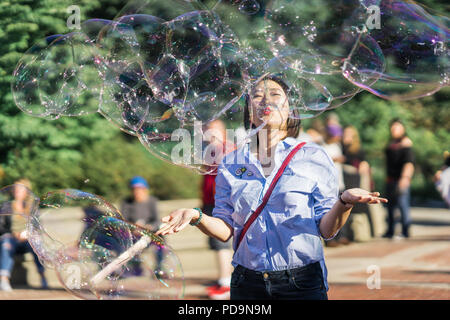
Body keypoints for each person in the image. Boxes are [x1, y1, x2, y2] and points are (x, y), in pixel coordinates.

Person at [156, 76, 387, 300]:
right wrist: (197, 217)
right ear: (249, 112)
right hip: (246, 283)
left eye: (275, 94)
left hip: (301, 281)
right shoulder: (231, 162)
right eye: (257, 96)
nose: (265, 100)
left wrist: (344, 203)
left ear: (290, 109)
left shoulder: (313, 156)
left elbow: (327, 230)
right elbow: (226, 230)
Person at [201, 120, 235, 300]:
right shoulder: (211, 152)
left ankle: (226, 283)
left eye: (213, 132)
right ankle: (225, 279)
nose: (208, 136)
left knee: (221, 243)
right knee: (217, 244)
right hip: (211, 202)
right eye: (207, 132)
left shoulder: (227, 149)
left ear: (223, 132)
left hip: (221, 203)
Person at [0, 179, 48, 291]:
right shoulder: (7, 206)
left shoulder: (31, 207)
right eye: (15, 188)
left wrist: (29, 235)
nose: (17, 191)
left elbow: (37, 227)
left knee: (37, 243)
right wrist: (13, 234)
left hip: (28, 240)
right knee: (6, 243)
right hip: (12, 239)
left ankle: (42, 276)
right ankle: (3, 279)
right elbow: (1, 227)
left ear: (26, 191)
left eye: (20, 189)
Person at [120, 176, 163, 274]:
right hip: (134, 234)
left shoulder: (152, 201)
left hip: (150, 233)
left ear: (145, 190)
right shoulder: (126, 202)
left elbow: (157, 220)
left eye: (140, 189)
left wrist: (149, 227)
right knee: (125, 240)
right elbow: (123, 221)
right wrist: (133, 228)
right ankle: (136, 267)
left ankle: (159, 267)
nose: (137, 192)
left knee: (160, 239)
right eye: (134, 190)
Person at [383, 119, 415, 239]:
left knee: (403, 205)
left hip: (400, 179)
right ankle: (390, 231)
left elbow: (409, 163)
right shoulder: (391, 144)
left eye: (397, 127)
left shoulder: (406, 144)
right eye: (393, 127)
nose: (394, 130)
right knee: (390, 207)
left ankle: (405, 231)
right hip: (390, 179)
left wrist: (405, 178)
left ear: (403, 129)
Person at [342, 125, 375, 240]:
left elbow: (363, 164)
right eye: (345, 133)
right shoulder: (340, 147)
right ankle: (347, 234)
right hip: (343, 179)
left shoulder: (358, 149)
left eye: (349, 133)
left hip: (355, 179)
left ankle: (365, 232)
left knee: (360, 206)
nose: (346, 136)